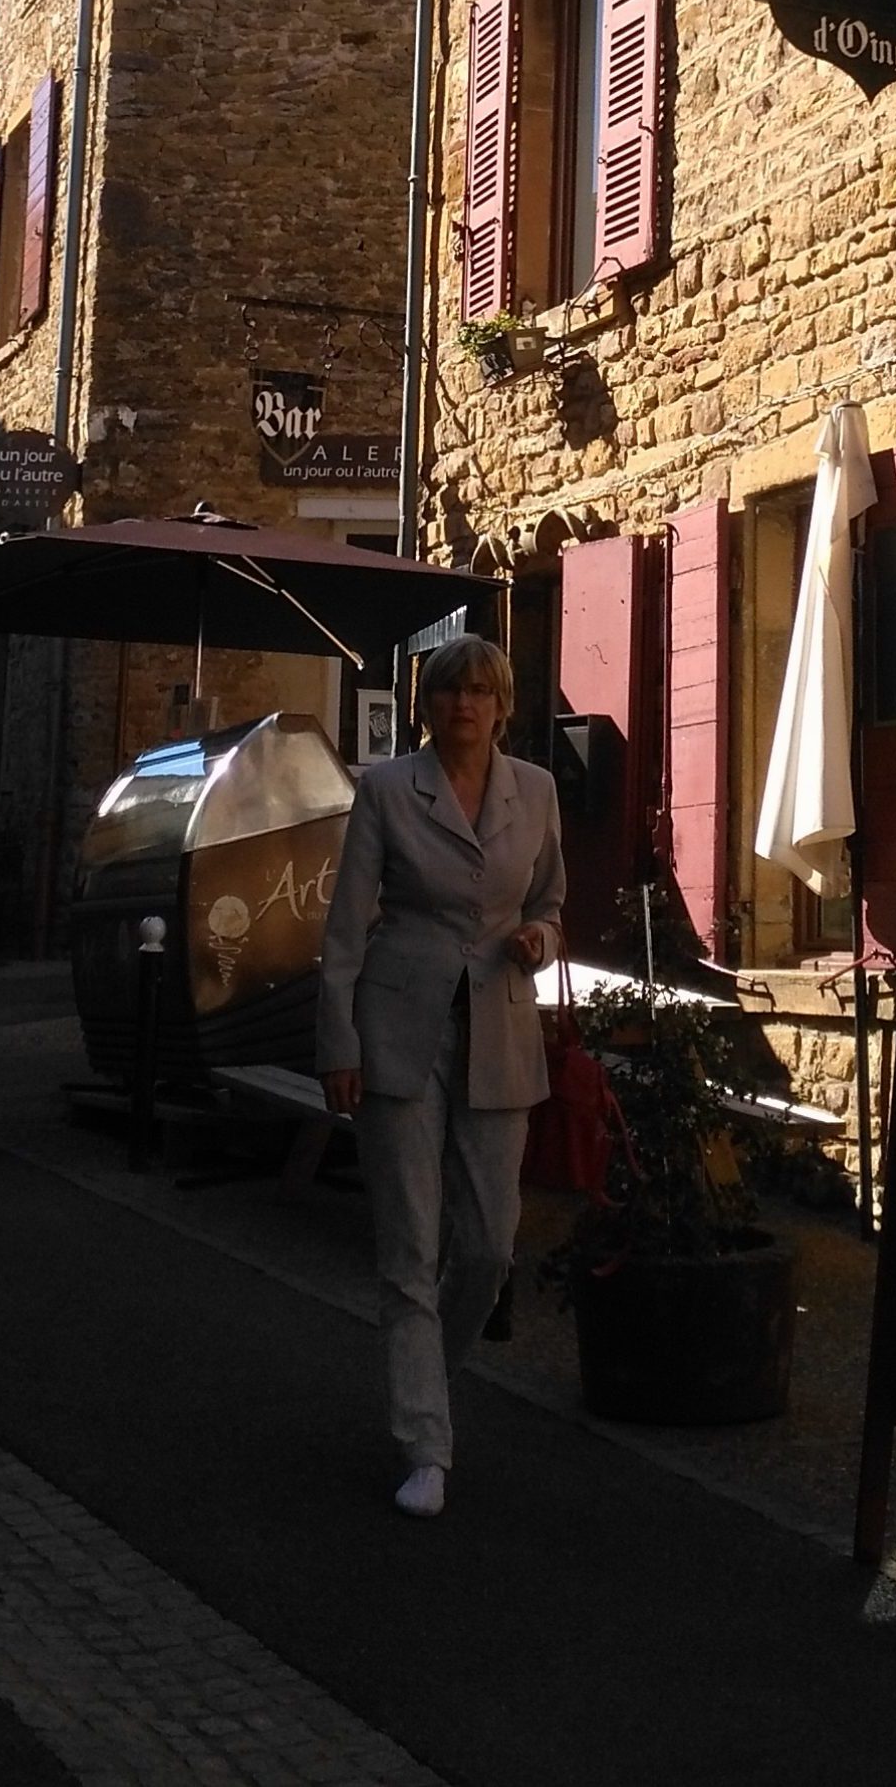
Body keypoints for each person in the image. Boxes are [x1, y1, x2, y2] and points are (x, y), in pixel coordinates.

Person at [316, 633, 563, 1520]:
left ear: (502, 705)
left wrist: (539, 937)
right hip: (398, 1030)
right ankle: (425, 1442)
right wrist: (337, 1043)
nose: (464, 703)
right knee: (409, 1246)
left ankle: (428, 1380)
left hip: (499, 1028)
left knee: (489, 1246)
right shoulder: (387, 789)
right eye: (450, 690)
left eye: (480, 690)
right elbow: (346, 928)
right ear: (425, 705)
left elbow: (550, 900)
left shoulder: (535, 789)